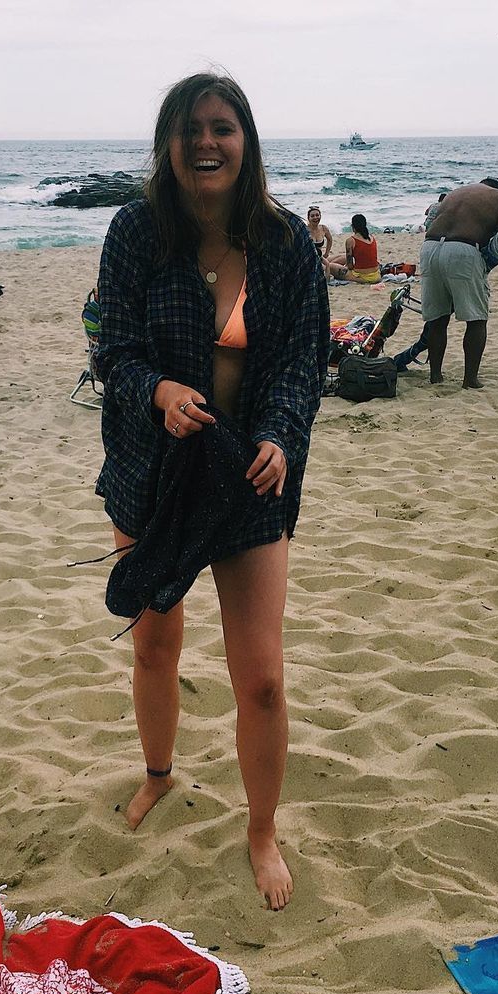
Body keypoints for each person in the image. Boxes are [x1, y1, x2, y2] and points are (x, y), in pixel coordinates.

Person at [94, 72, 329, 911]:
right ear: (168, 143)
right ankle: (159, 773)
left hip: (251, 475)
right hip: (153, 471)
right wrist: (158, 390)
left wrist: (280, 437)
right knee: (154, 644)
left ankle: (261, 831)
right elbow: (112, 348)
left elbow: (302, 360)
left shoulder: (284, 242)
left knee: (261, 678)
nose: (206, 142)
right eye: (190, 129)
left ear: (246, 141)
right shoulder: (135, 231)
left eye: (222, 127)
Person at [420, 177, 498, 389]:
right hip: (463, 250)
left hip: (429, 248)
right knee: (476, 319)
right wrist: (484, 266)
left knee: (437, 318)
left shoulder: (455, 193)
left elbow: (429, 221)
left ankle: (435, 376)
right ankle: (470, 380)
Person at [327, 213, 380, 283]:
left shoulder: (351, 241)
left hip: (363, 277)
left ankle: (325, 263)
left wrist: (346, 267)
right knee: (343, 257)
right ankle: (326, 261)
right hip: (376, 275)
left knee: (330, 266)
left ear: (353, 226)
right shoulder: (371, 237)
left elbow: (350, 266)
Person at [305, 205, 334, 278]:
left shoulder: (323, 228)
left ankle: (327, 282)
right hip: (307, 258)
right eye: (312, 216)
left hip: (319, 257)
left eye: (317, 215)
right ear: (308, 218)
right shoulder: (305, 229)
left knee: (327, 264)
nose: (315, 217)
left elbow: (330, 239)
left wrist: (327, 253)